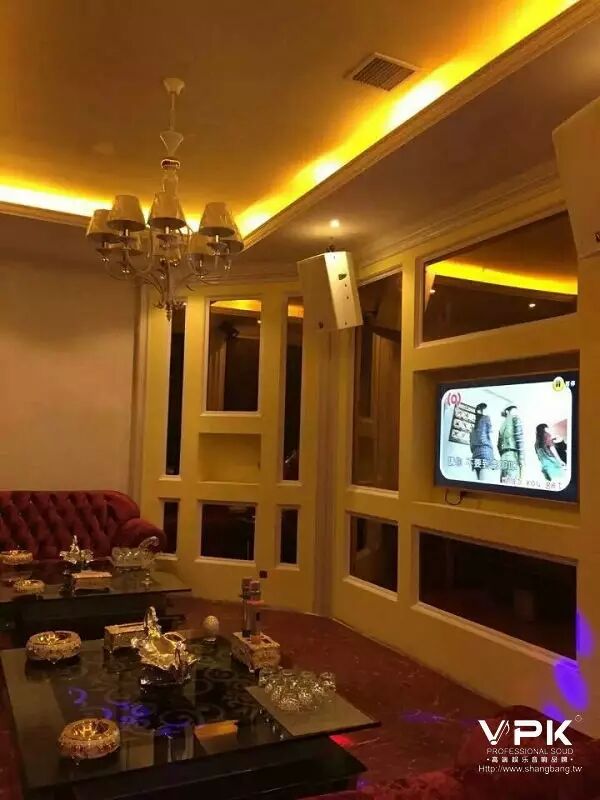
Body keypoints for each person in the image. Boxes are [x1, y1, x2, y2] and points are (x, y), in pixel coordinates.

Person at [498, 405, 525, 483]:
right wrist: (522, 461)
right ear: (507, 411)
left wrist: (504, 454)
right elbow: (519, 440)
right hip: (513, 456)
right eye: (514, 411)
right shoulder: (515, 419)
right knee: (513, 484)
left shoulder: (502, 425)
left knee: (504, 483)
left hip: (503, 457)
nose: (516, 413)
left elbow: (498, 445)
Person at [469, 402, 494, 480]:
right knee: (486, 483)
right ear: (482, 411)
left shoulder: (472, 429)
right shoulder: (486, 418)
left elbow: (471, 448)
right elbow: (490, 435)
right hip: (485, 454)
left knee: (479, 482)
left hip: (475, 456)